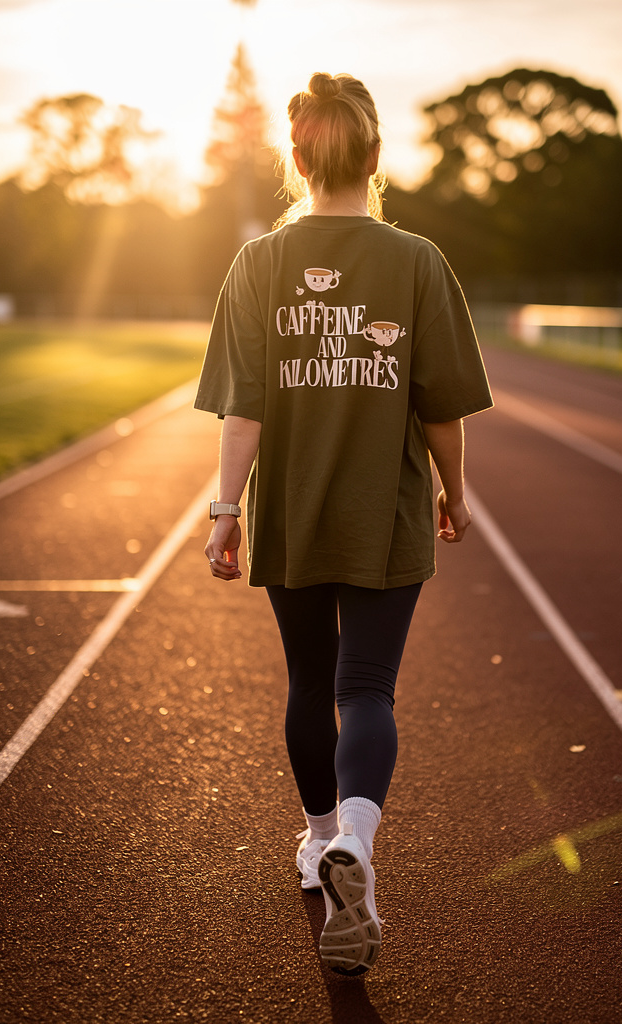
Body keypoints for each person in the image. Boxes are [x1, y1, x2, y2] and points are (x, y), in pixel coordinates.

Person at [195, 72, 493, 976]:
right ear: (373, 155)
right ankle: (356, 844)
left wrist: (223, 511)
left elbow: (240, 412)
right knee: (367, 688)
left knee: (306, 681)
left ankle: (320, 836)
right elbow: (442, 405)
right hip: (383, 513)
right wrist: (455, 490)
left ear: (298, 157)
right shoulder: (417, 260)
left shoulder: (256, 264)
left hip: (289, 508)